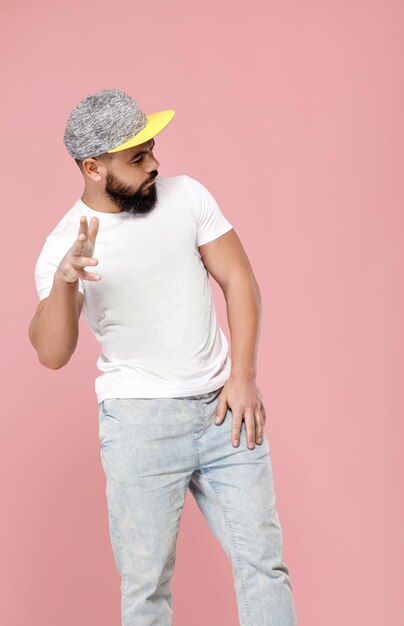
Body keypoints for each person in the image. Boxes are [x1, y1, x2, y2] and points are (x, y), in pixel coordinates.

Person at [28, 89, 298, 626]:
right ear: (92, 167)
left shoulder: (188, 197)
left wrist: (242, 377)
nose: (154, 165)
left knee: (264, 565)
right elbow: (52, 353)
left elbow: (239, 279)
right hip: (139, 424)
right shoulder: (64, 245)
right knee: (146, 588)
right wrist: (64, 282)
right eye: (137, 158)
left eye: (152, 150)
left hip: (225, 411)